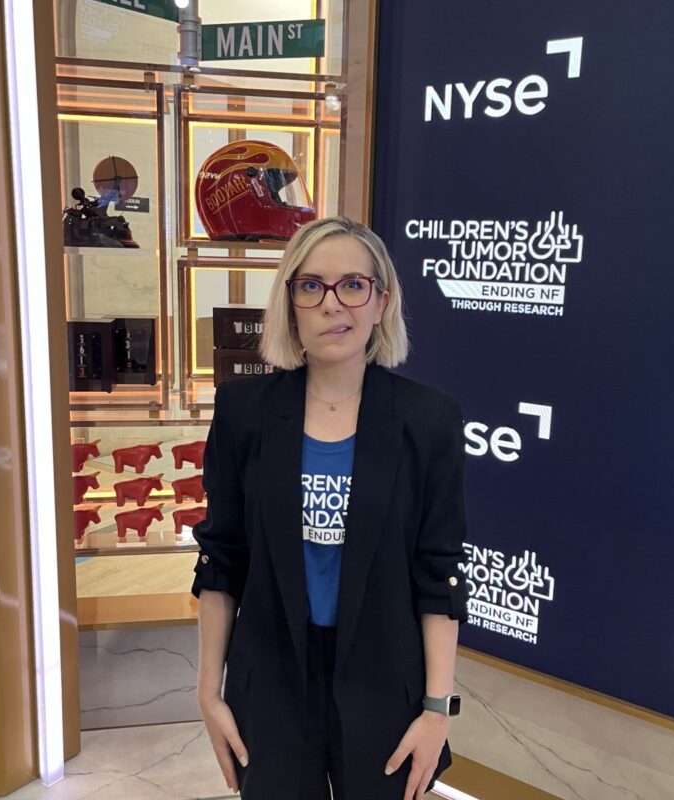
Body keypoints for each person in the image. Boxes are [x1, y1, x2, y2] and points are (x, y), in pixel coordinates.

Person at [192, 217, 468, 800]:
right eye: (311, 286)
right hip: (268, 681)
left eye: (353, 285)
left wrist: (437, 708)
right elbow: (222, 558)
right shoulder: (244, 412)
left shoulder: (428, 420)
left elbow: (438, 574)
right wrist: (208, 692)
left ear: (381, 300)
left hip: (384, 683)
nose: (331, 304)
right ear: (290, 301)